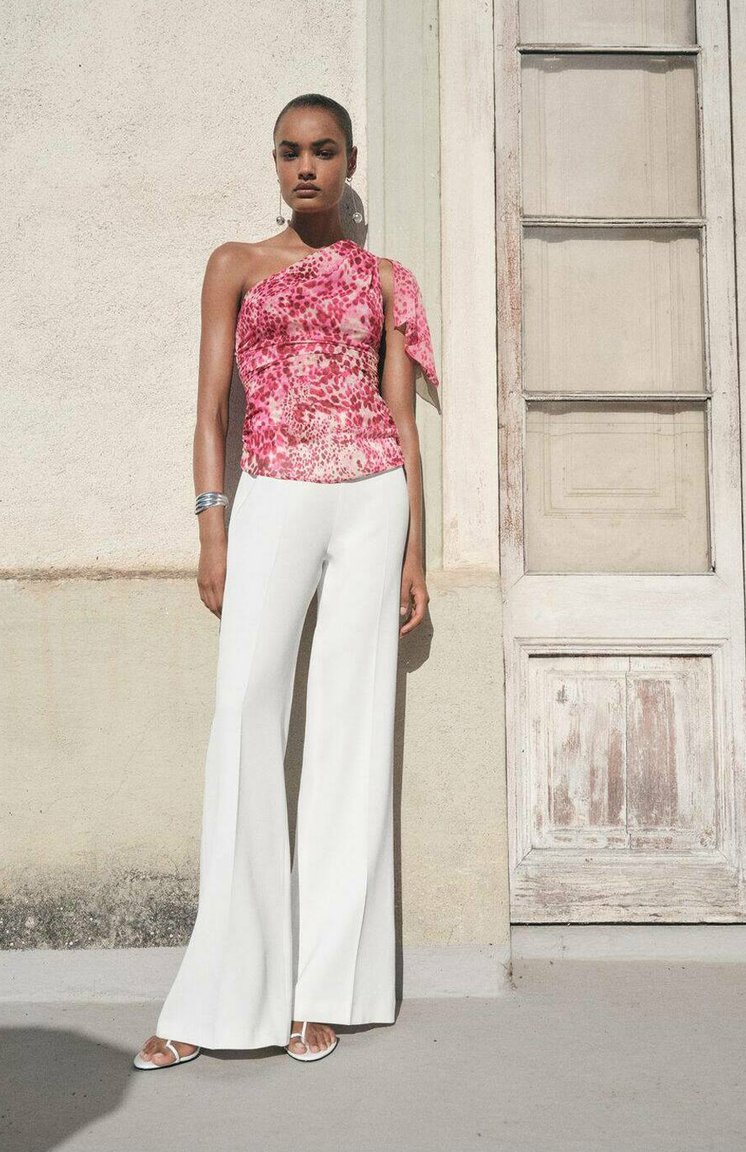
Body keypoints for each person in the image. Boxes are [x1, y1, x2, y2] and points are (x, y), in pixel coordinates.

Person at [133, 92, 440, 1069]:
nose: (305, 166)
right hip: (271, 494)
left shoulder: (385, 279)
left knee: (352, 734)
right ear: (274, 163)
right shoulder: (234, 264)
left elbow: (401, 420)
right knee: (244, 722)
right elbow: (210, 411)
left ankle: (324, 991)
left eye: (323, 151)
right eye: (289, 151)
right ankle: (218, 997)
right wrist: (211, 527)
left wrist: (414, 550)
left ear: (349, 162)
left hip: (371, 499)